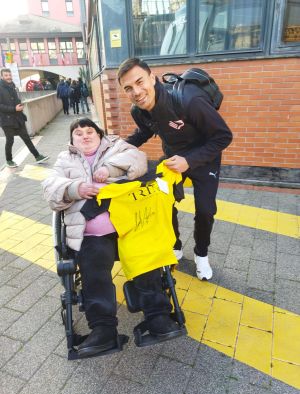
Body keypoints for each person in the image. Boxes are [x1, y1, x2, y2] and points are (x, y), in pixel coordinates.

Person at [42, 117, 183, 358]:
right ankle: (103, 329)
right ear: (72, 140)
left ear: (100, 135)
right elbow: (49, 187)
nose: (85, 136)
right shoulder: (64, 160)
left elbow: (138, 161)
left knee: (145, 258)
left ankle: (158, 317)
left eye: (90, 131)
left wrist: (110, 169)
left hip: (131, 226)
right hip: (93, 232)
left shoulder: (117, 146)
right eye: (78, 133)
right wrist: (76, 189)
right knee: (93, 266)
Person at [118, 58, 233, 281]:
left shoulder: (189, 100)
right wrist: (118, 147)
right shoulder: (138, 110)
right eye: (128, 88)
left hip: (204, 158)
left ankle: (201, 255)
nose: (137, 92)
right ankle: (175, 245)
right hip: (173, 158)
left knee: (206, 210)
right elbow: (144, 132)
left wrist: (189, 161)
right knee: (162, 201)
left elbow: (223, 136)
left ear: (152, 78)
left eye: (140, 82)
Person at [0, 68, 49, 168]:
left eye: (9, 75)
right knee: (10, 140)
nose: (8, 77)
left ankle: (37, 156)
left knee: (26, 138)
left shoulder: (12, 86)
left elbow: (15, 100)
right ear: (1, 77)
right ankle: (9, 160)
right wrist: (14, 108)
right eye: (6, 75)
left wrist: (19, 105)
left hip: (18, 118)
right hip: (7, 119)